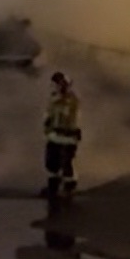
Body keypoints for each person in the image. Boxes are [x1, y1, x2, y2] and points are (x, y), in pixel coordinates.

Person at [42, 70, 82, 201]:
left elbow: (69, 115)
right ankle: (53, 187)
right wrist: (47, 128)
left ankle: (68, 188)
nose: (58, 86)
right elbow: (49, 115)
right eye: (56, 83)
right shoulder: (53, 98)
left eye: (61, 83)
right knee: (51, 163)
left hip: (68, 137)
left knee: (66, 163)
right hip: (54, 136)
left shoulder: (71, 100)